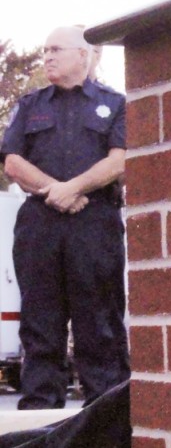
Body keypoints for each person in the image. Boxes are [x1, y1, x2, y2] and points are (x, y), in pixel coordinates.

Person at [1, 25, 130, 410]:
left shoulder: (115, 103)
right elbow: (12, 161)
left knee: (100, 323)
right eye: (45, 51)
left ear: (84, 55)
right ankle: (40, 415)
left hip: (95, 222)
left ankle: (105, 417)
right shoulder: (31, 104)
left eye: (57, 49)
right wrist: (56, 192)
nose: (48, 57)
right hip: (40, 224)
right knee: (40, 323)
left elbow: (120, 160)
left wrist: (73, 189)